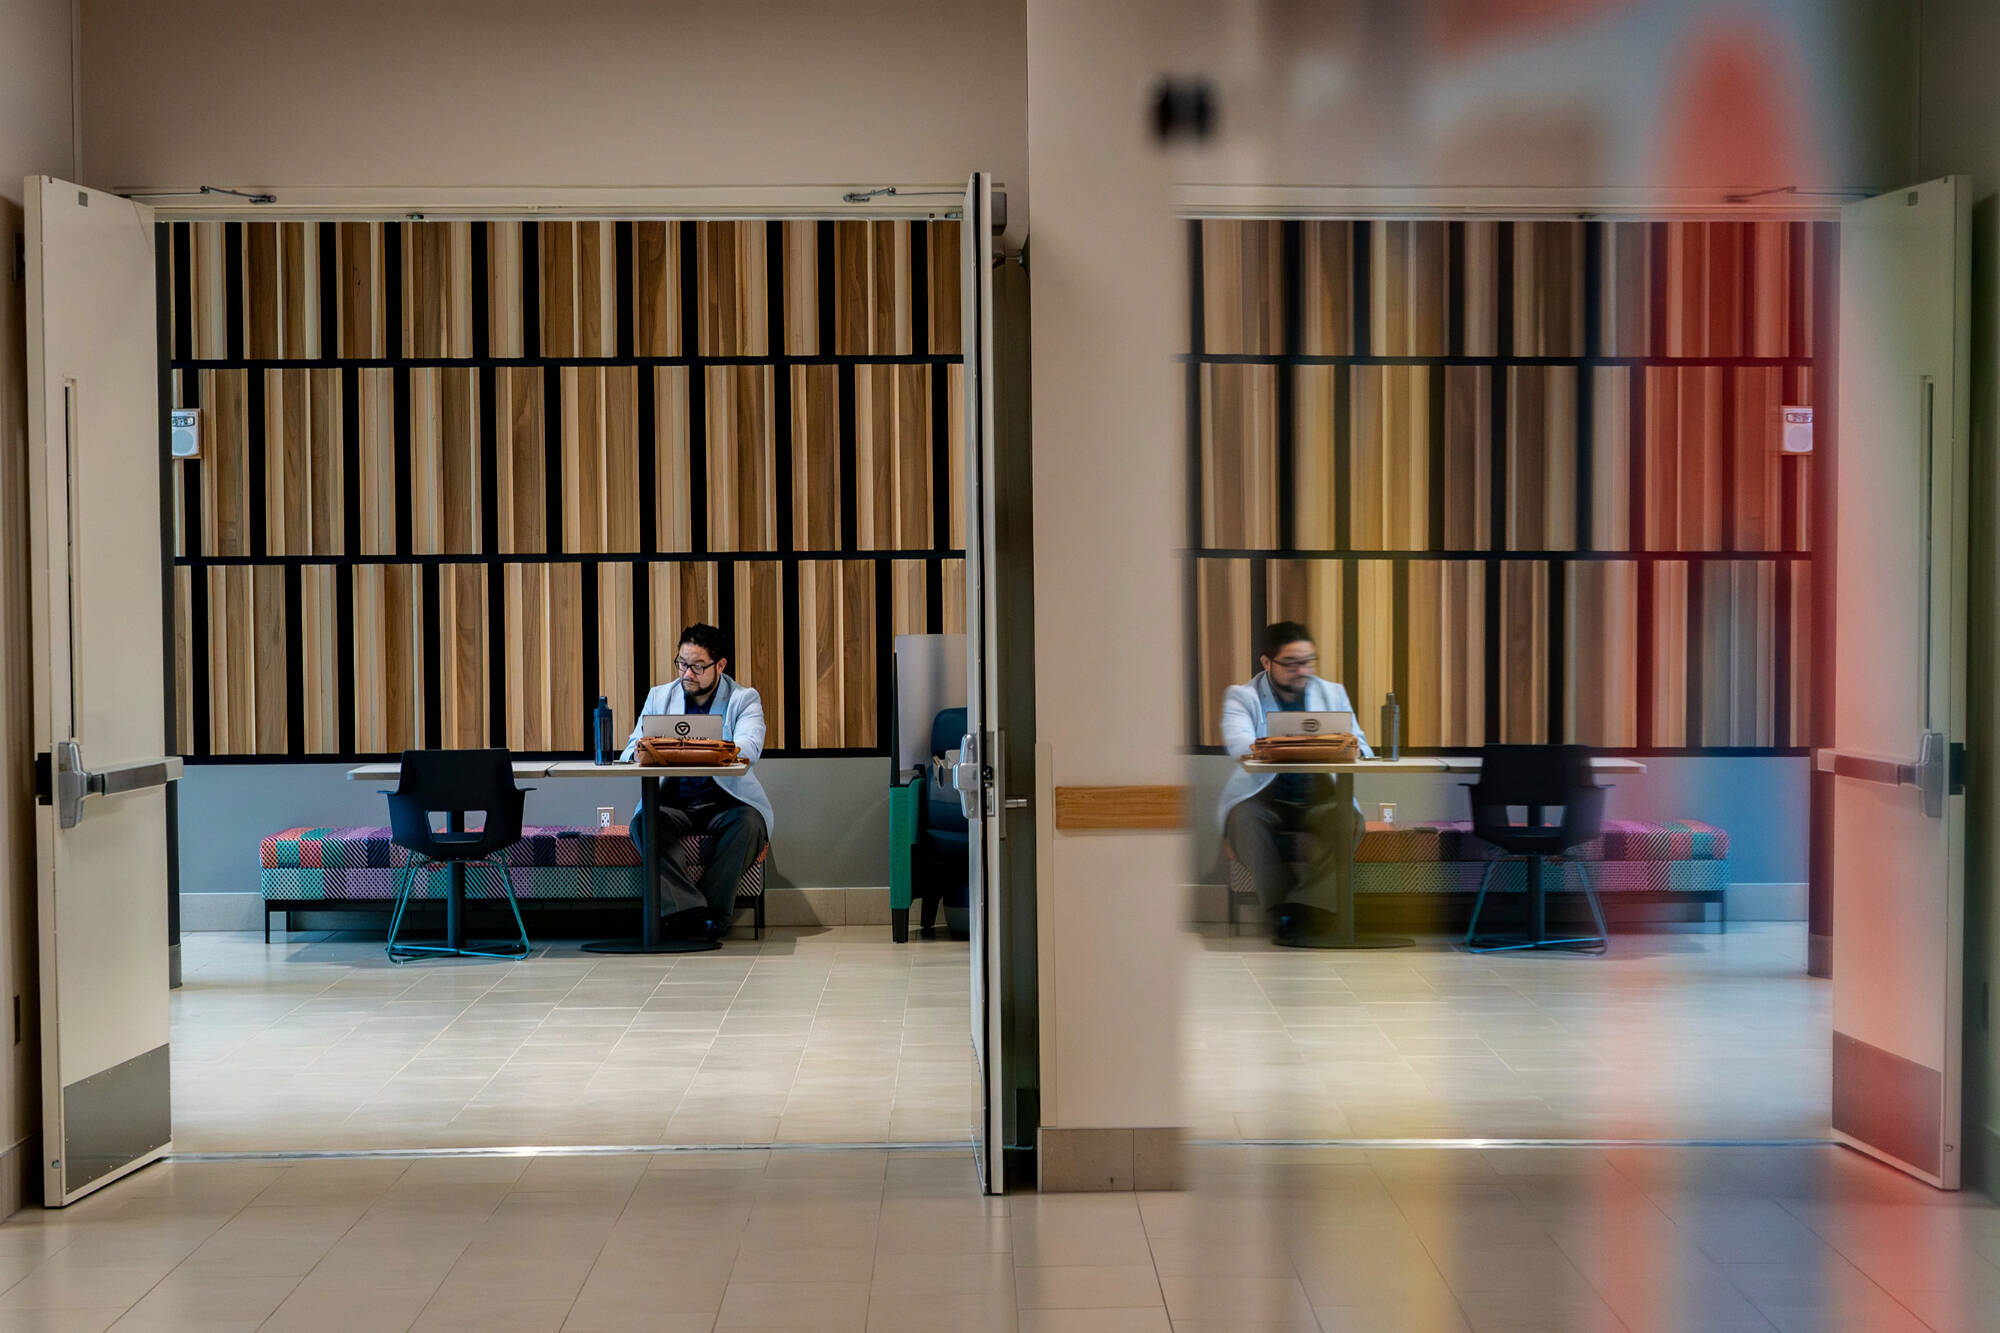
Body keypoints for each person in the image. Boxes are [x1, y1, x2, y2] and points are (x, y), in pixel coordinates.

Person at [1215, 620, 1371, 945]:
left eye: (1308, 661)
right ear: (1267, 662)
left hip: (1319, 797)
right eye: (1291, 664)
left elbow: (1361, 745)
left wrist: (1343, 746)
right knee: (1243, 821)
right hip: (1264, 797)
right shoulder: (1242, 697)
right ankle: (1281, 911)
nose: (1302, 671)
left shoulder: (1332, 692)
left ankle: (1306, 906)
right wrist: (1293, 744)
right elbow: (1239, 744)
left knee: (1349, 819)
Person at [620, 623, 773, 941]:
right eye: (681, 663)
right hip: (673, 802)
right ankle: (696, 915)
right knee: (644, 822)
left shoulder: (743, 699)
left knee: (750, 825)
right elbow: (630, 749)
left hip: (726, 803)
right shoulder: (660, 696)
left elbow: (749, 748)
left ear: (720, 665)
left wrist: (695, 748)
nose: (686, 674)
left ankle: (704, 914)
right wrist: (642, 750)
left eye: (697, 666)